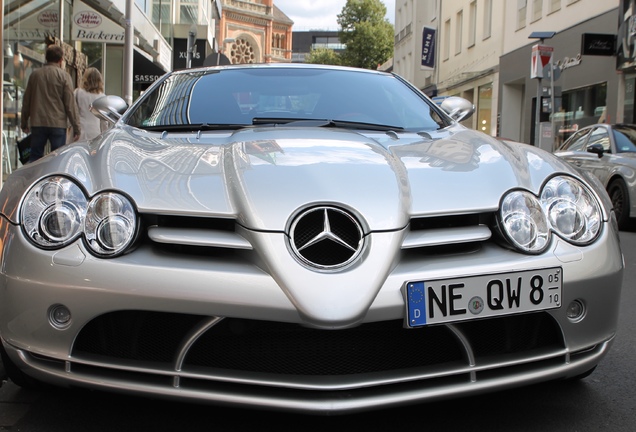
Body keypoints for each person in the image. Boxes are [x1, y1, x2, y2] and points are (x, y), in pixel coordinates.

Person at [21, 44, 81, 163]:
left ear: (46, 58)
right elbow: (70, 104)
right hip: (57, 124)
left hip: (38, 122)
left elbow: (27, 100)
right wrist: (76, 127)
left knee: (35, 157)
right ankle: (54, 180)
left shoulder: (35, 75)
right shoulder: (64, 76)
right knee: (57, 159)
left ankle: (35, 179)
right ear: (60, 60)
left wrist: (24, 122)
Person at [75, 67, 106, 140]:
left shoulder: (77, 93)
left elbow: (73, 113)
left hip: (79, 132)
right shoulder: (102, 98)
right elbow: (104, 121)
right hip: (95, 132)